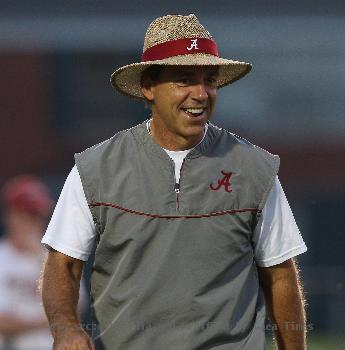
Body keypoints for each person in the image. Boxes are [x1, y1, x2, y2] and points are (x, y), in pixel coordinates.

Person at [41, 14, 308, 350]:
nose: (200, 94)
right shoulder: (96, 168)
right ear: (148, 87)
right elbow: (62, 266)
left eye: (209, 80)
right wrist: (65, 328)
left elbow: (281, 274)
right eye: (184, 80)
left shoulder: (254, 168)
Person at [0, 175, 55, 350]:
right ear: (11, 216)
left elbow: (74, 308)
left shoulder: (52, 256)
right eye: (29, 215)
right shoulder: (2, 257)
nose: (36, 223)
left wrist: (41, 257)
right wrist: (49, 320)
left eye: (39, 216)